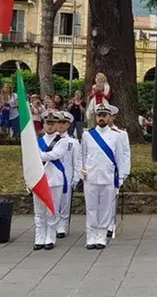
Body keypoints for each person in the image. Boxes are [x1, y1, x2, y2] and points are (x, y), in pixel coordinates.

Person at [81, 104, 124, 249]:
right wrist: (82, 171)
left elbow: (119, 159)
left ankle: (101, 235)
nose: (101, 118)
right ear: (96, 117)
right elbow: (83, 155)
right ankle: (91, 235)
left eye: (104, 115)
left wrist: (120, 178)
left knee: (106, 208)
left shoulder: (116, 136)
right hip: (91, 177)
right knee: (91, 208)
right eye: (99, 115)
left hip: (108, 177)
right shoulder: (87, 135)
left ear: (109, 117)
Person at [33, 111, 69, 250]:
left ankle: (50, 237)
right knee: (39, 211)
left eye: (53, 123)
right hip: (39, 179)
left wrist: (39, 156)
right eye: (47, 123)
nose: (50, 126)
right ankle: (39, 237)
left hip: (55, 179)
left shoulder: (63, 141)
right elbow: (31, 157)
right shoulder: (37, 141)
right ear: (44, 124)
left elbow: (55, 155)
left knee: (52, 210)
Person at [106, 105, 131, 239]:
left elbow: (125, 154)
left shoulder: (120, 134)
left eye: (108, 115)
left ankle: (109, 225)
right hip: (98, 171)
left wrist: (124, 173)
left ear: (113, 117)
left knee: (111, 200)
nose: (106, 117)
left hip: (113, 172)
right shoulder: (91, 134)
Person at [55, 111, 81, 239]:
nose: (60, 125)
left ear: (68, 124)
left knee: (65, 202)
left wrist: (76, 177)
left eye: (63, 122)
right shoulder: (49, 140)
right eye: (58, 122)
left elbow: (77, 161)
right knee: (53, 202)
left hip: (66, 177)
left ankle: (63, 225)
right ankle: (54, 222)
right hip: (52, 177)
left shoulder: (73, 142)